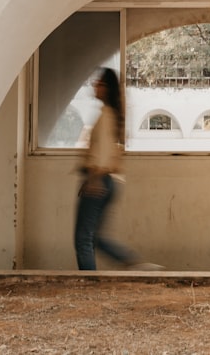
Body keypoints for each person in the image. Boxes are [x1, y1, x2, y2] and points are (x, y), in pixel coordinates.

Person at [74, 67, 159, 271]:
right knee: (96, 237)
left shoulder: (105, 116)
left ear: (107, 89)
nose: (95, 85)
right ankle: (133, 262)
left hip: (100, 179)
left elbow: (101, 154)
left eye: (100, 83)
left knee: (83, 239)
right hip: (111, 181)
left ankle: (90, 285)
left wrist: (93, 179)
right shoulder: (113, 115)